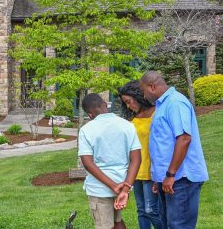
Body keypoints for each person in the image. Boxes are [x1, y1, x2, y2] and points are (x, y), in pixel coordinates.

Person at [139, 71, 209, 229]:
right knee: (167, 225)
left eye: (144, 91)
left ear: (152, 86)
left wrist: (170, 175)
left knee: (178, 226)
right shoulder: (163, 105)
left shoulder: (175, 103)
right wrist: (159, 177)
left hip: (181, 179)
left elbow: (184, 138)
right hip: (168, 180)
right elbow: (163, 143)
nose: (144, 96)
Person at [78, 93, 142, 229]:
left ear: (89, 114)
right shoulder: (127, 126)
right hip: (122, 183)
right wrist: (125, 188)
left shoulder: (86, 130)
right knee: (117, 221)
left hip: (99, 189)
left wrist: (113, 186)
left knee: (105, 225)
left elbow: (87, 163)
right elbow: (136, 159)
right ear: (105, 105)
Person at [118, 81, 162, 229]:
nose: (129, 106)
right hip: (135, 171)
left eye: (129, 102)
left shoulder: (157, 113)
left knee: (151, 210)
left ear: (138, 96)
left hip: (151, 171)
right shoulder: (133, 119)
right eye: (126, 104)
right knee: (141, 210)